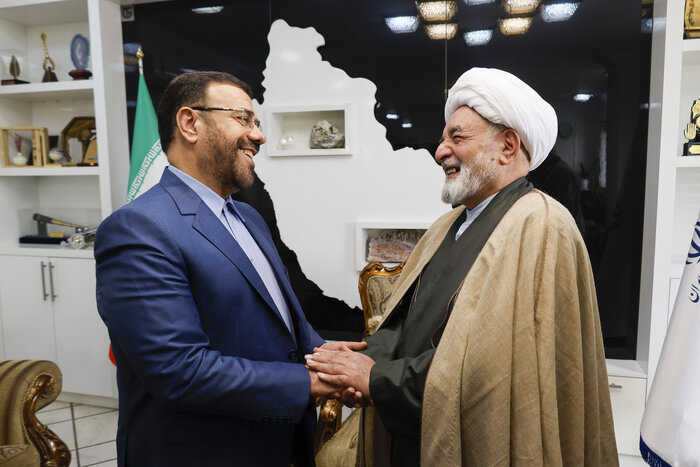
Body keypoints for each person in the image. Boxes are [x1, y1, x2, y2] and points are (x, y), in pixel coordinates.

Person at [306, 67, 618, 466]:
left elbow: (495, 369)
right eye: (443, 140)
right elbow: (403, 319)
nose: (440, 152)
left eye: (457, 138)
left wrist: (376, 378)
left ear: (508, 146)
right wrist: (362, 363)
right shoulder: (447, 225)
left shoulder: (541, 226)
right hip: (409, 423)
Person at [95, 71, 362, 467]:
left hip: (278, 442)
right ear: (190, 123)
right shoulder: (137, 229)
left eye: (256, 122)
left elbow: (280, 317)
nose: (259, 135)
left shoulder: (249, 217)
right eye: (243, 119)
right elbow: (179, 370)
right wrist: (312, 381)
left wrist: (323, 352)